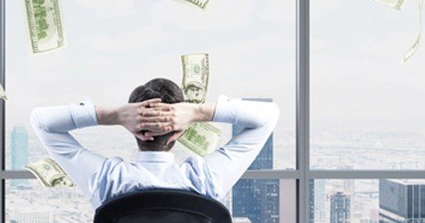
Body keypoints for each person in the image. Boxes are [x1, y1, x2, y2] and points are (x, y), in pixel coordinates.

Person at [29, 78, 279, 210]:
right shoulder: (206, 180)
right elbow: (269, 116)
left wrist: (114, 115)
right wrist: (197, 112)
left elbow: (40, 121)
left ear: (133, 130)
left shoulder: (107, 180)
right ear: (179, 132)